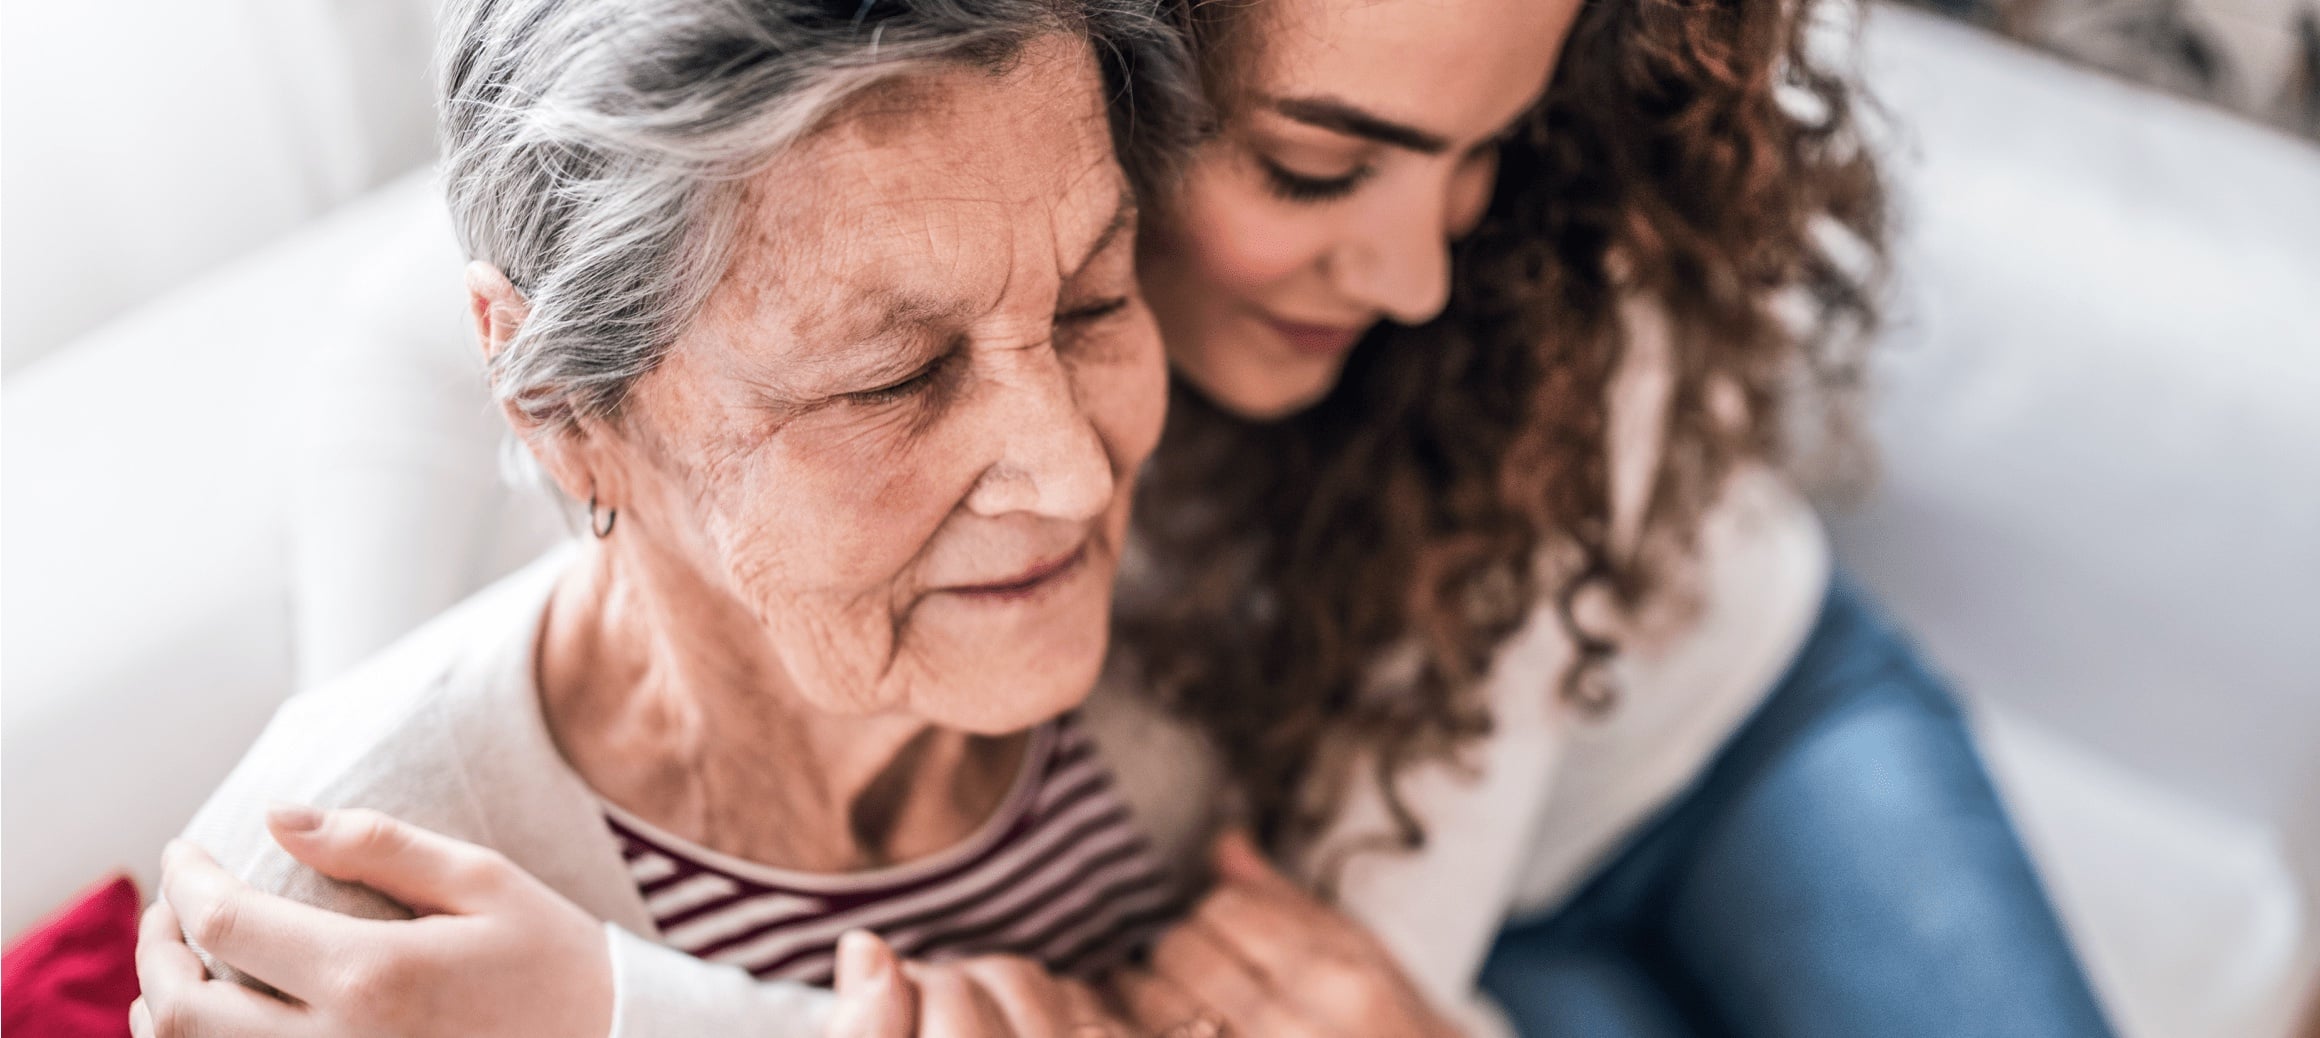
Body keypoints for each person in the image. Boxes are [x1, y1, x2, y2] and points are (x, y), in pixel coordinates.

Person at [139, 0, 2121, 1035]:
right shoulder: (843, 138)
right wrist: (387, 859)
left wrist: (613, 1015)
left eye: (1482, 159)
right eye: (1314, 157)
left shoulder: (1528, 354)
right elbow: (431, 362)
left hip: (1700, 737)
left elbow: (1334, 976)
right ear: (1132, 55)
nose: (1420, 271)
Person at [132, 1, 1226, 1035]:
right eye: (892, 378)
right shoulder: (343, 926)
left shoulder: (1218, 655)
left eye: (1092, 301)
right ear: (559, 405)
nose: (1076, 476)